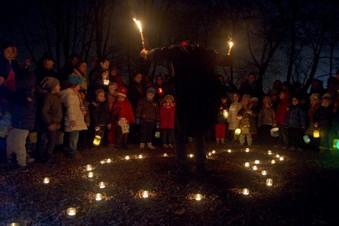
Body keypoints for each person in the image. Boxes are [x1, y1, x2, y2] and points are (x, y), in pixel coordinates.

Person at [140, 41, 231, 174]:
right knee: (198, 132)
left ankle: (182, 166)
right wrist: (229, 54)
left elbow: (161, 52)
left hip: (186, 97)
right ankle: (201, 166)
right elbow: (227, 60)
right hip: (201, 98)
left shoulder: (179, 50)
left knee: (180, 132)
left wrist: (147, 53)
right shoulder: (206, 52)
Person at [6, 68, 36, 168]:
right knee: (11, 141)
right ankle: (11, 159)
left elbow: (26, 107)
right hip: (17, 122)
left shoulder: (25, 93)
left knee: (19, 143)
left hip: (23, 123)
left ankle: (21, 164)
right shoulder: (20, 93)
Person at [60, 75, 87, 158]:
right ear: (74, 85)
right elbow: (70, 107)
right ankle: (72, 150)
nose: (79, 87)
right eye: (78, 85)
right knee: (73, 136)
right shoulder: (70, 95)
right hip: (73, 119)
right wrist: (72, 119)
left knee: (74, 135)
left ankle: (71, 149)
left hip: (76, 117)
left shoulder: (74, 94)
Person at [37, 77, 62, 162]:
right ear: (53, 87)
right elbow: (44, 111)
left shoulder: (56, 97)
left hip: (54, 123)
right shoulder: (48, 97)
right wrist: (49, 123)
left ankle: (48, 156)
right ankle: (44, 157)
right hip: (50, 124)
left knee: (52, 141)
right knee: (48, 141)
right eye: (58, 85)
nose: (60, 87)